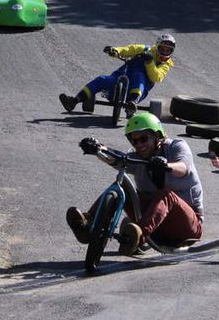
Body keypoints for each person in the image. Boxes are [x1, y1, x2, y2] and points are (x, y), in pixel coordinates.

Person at [67, 112, 203, 255]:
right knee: (122, 187)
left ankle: (138, 236)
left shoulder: (176, 146)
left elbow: (183, 168)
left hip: (186, 228)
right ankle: (87, 225)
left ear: (157, 136)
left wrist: (166, 166)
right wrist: (98, 149)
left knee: (166, 195)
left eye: (143, 139)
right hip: (155, 225)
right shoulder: (138, 157)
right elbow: (118, 158)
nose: (139, 145)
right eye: (134, 141)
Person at [59, 34, 176, 116]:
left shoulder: (165, 64)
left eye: (168, 50)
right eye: (163, 49)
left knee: (139, 75)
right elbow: (128, 50)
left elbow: (156, 77)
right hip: (120, 77)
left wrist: (150, 62)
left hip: (139, 89)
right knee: (102, 79)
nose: (165, 52)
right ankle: (73, 101)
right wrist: (114, 51)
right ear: (157, 47)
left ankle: (132, 104)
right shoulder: (145, 49)